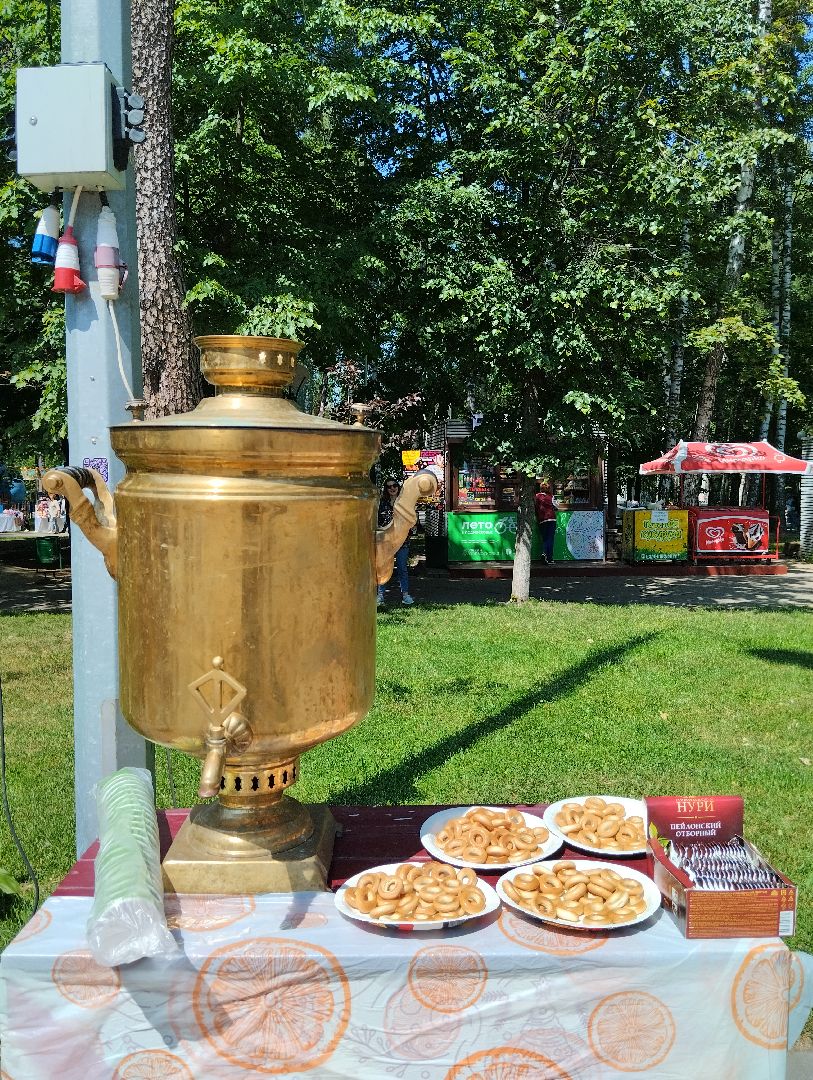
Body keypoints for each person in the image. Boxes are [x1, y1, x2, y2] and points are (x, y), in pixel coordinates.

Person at [377, 478, 414, 606]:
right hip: (386, 542)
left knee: (402, 568)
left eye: (394, 486)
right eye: (389, 487)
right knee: (383, 568)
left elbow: (412, 520)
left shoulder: (404, 503)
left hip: (402, 541)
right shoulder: (382, 503)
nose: (392, 488)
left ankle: (405, 595)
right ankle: (380, 595)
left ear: (398, 487)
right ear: (386, 490)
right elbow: (377, 522)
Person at [534, 482, 557, 563]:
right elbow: (556, 506)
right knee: (550, 538)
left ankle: (544, 553)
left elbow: (535, 507)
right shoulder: (551, 496)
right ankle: (549, 558)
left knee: (545, 538)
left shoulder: (537, 496)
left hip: (542, 519)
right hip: (551, 519)